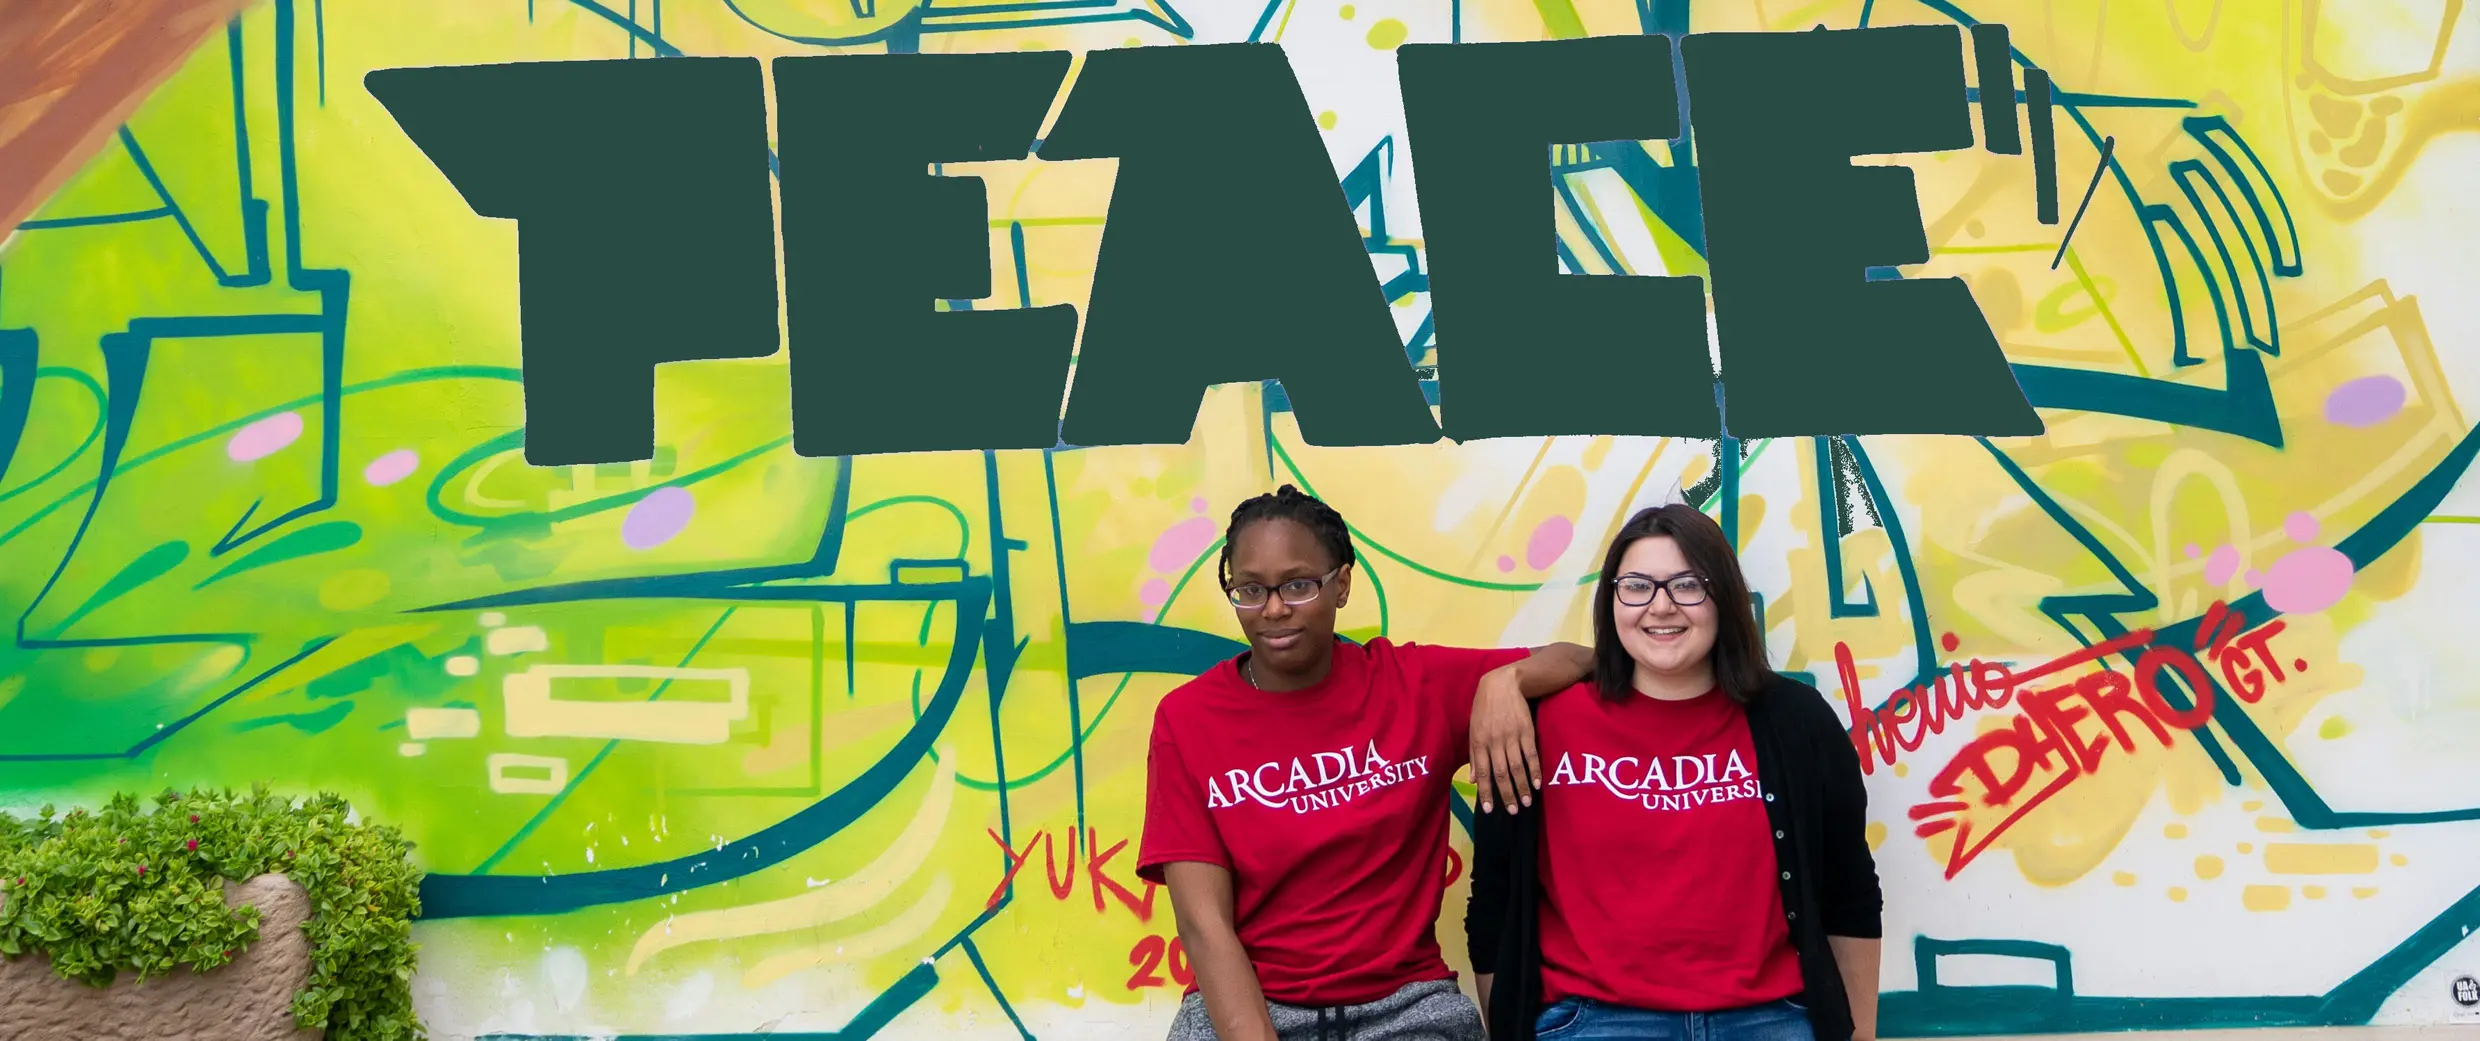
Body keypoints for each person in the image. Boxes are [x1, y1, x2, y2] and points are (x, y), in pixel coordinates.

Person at [1138, 485, 1593, 1041]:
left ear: (1342, 584)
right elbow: (1203, 924)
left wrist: (1509, 679)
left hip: (1405, 1009)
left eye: (1299, 585)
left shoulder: (1415, 686)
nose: (1274, 608)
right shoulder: (1187, 720)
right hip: (1249, 1005)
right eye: (1251, 589)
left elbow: (1580, 659)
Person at [1466, 504, 1883, 1041]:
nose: (1661, 607)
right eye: (1636, 586)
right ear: (1612, 598)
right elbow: (1494, 900)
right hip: (1591, 1022)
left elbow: (1849, 889)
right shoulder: (1543, 722)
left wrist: (1861, 1034)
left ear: (1724, 597)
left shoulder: (1796, 721)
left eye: (1688, 585)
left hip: (1773, 1019)